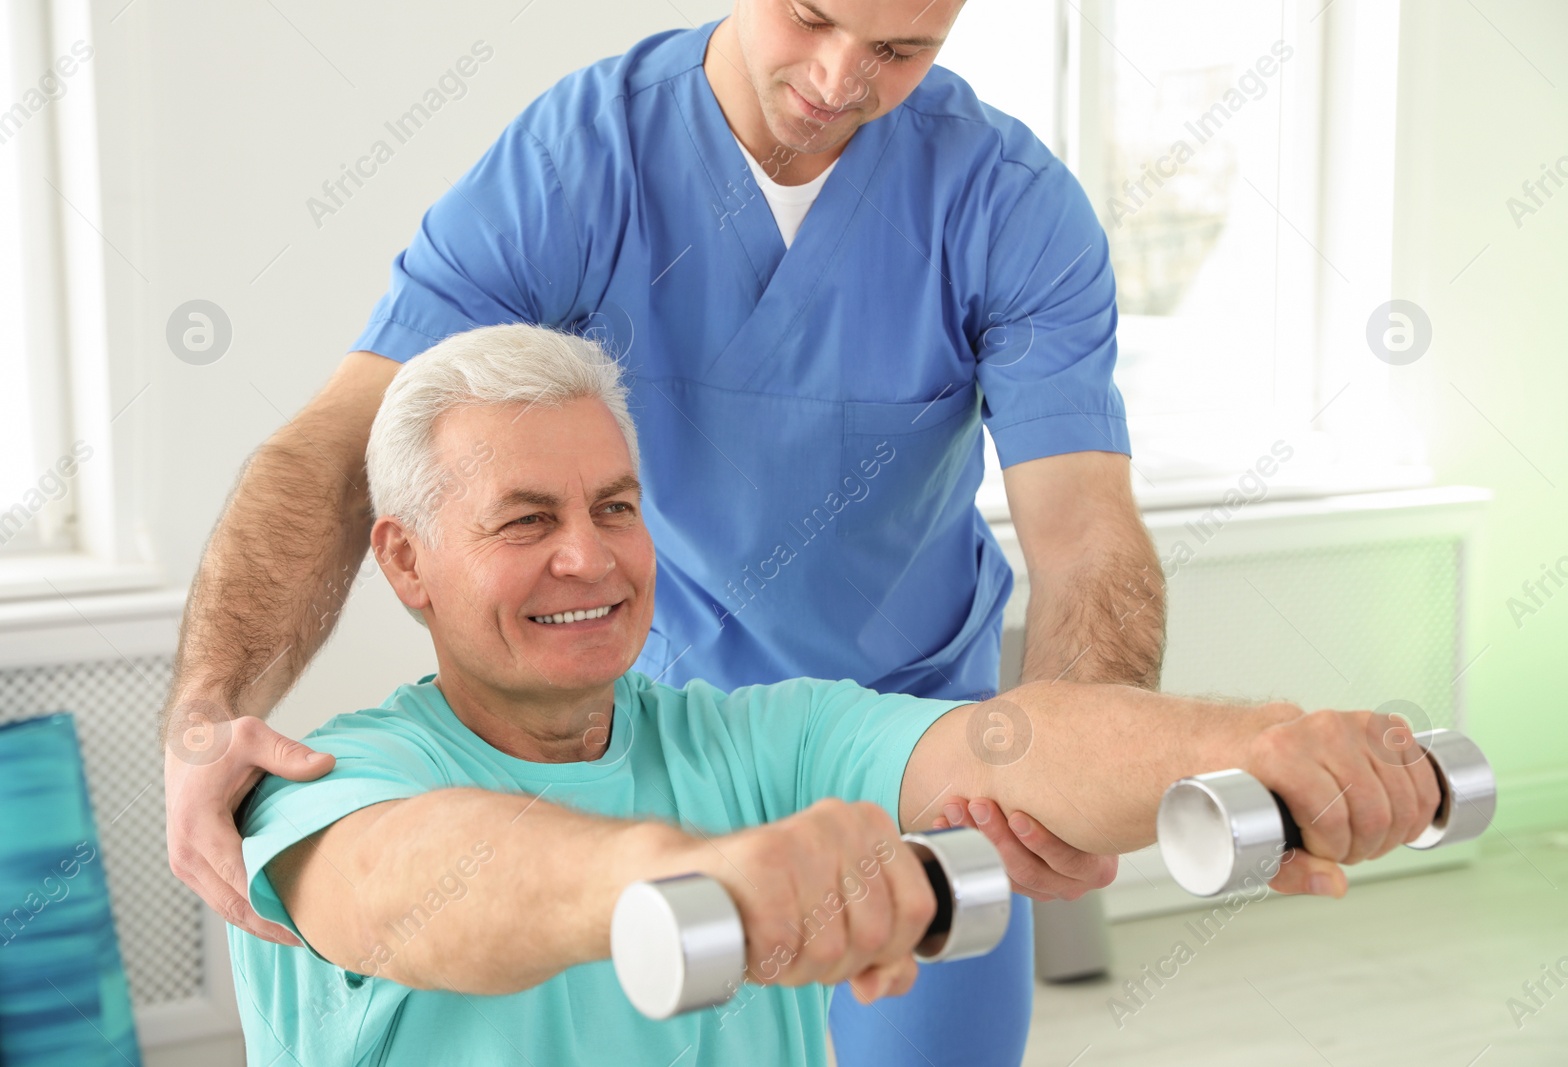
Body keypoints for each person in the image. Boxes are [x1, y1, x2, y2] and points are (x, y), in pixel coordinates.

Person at [164, 3, 1163, 1063]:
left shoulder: (1007, 203)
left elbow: (1086, 531)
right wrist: (209, 708)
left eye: (898, 51)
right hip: (668, 758)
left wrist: (1080, 759)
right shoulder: (580, 164)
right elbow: (341, 441)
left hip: (914, 761)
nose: (837, 78)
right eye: (812, 17)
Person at [228, 324, 1438, 1066]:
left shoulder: (760, 737)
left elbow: (1011, 743)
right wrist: (678, 875)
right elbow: (430, 881)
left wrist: (1265, 743)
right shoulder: (322, 791)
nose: (589, 557)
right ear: (403, 561)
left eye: (615, 506)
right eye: (525, 520)